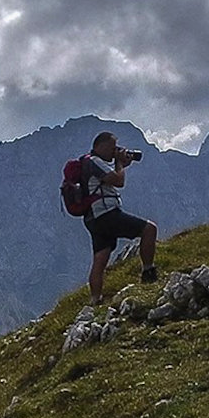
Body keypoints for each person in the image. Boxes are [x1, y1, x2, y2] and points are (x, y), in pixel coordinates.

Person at [82, 131, 158, 305]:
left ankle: (95, 300)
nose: (115, 150)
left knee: (100, 257)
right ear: (100, 146)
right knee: (149, 229)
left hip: (93, 218)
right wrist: (119, 164)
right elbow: (118, 181)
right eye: (112, 147)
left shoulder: (89, 163)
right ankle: (148, 272)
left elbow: (110, 179)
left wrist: (120, 165)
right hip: (106, 214)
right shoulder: (95, 161)